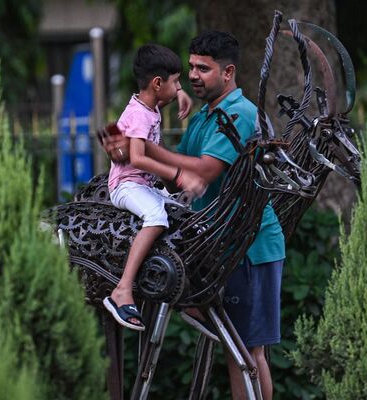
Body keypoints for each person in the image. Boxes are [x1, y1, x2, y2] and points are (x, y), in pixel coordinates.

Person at [101, 31, 285, 399]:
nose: (194, 76)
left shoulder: (239, 113)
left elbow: (203, 171)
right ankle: (196, 307)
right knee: (236, 350)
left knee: (248, 352)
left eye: (203, 68)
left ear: (228, 72)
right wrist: (125, 150)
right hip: (219, 244)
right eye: (189, 69)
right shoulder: (204, 116)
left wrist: (145, 149)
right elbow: (175, 173)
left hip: (250, 247)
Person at [102, 44, 206, 331]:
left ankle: (190, 300)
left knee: (184, 216)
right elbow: (137, 158)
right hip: (126, 186)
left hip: (143, 186)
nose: (179, 87)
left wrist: (180, 93)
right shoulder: (139, 116)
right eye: (175, 81)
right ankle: (122, 290)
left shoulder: (150, 103)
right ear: (157, 84)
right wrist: (178, 175)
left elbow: (160, 99)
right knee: (157, 217)